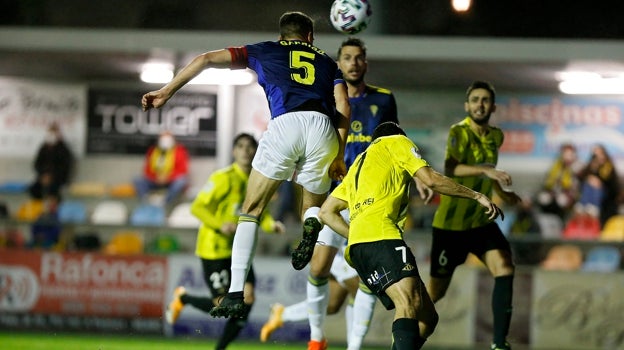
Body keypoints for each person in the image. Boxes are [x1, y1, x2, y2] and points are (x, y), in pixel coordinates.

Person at [142, 11, 350, 319]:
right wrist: (339, 154)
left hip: (286, 123)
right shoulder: (328, 62)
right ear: (310, 37)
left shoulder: (265, 49)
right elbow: (344, 105)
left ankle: (236, 292)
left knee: (251, 211)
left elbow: (205, 59)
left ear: (283, 36)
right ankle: (309, 223)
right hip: (323, 128)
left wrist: (167, 91)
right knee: (312, 207)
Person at [317, 121, 504, 350]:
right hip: (382, 237)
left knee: (427, 318)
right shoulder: (397, 141)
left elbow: (326, 212)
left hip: (359, 248)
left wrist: (357, 233)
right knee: (408, 303)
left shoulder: (359, 164)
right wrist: (476, 196)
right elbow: (431, 179)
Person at [297, 37, 403, 350]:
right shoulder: (327, 100)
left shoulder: (383, 100)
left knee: (368, 275)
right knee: (317, 267)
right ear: (339, 64)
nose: (353, 63)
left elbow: (395, 142)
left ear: (365, 64)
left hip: (371, 199)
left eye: (358, 58)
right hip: (336, 195)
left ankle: (354, 347)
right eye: (347, 58)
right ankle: (317, 338)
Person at [165, 133, 285, 350]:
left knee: (246, 300)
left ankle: (220, 348)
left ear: (255, 151)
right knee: (223, 304)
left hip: (238, 251)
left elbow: (260, 212)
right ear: (233, 151)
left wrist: (271, 225)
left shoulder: (256, 180)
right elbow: (197, 207)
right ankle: (183, 299)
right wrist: (220, 224)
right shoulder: (223, 178)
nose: (245, 150)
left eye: (250, 146)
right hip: (214, 249)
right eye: (240, 146)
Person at [428, 81, 522, 350]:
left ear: (493, 107)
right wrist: (485, 171)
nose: (480, 104)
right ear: (467, 106)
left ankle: (498, 343)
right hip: (450, 227)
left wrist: (502, 193)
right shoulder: (458, 131)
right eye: (475, 100)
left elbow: (489, 169)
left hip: (480, 222)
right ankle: (406, 336)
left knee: (504, 267)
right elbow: (451, 169)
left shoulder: (496, 135)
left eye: (485, 100)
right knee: (435, 294)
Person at [133, 131, 190, 206]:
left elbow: (183, 170)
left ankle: (166, 202)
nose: (165, 142)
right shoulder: (153, 150)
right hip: (155, 180)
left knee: (181, 181)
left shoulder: (180, 151)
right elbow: (147, 169)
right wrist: (156, 177)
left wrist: (168, 177)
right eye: (163, 140)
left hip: (171, 181)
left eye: (168, 140)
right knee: (137, 180)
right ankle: (146, 202)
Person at [28, 122, 75, 207]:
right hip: (43, 177)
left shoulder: (63, 149)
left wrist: (51, 176)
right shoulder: (43, 147)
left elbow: (65, 167)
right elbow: (36, 164)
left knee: (53, 190)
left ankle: (54, 209)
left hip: (58, 178)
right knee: (33, 189)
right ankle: (40, 208)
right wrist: (43, 175)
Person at [535, 143, 581, 220]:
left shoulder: (576, 165)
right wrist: (553, 182)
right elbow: (548, 180)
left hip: (568, 193)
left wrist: (568, 167)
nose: (566, 156)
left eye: (569, 154)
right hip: (553, 191)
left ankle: (560, 222)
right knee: (543, 198)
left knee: (561, 200)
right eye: (564, 153)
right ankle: (546, 221)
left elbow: (574, 184)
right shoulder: (557, 164)